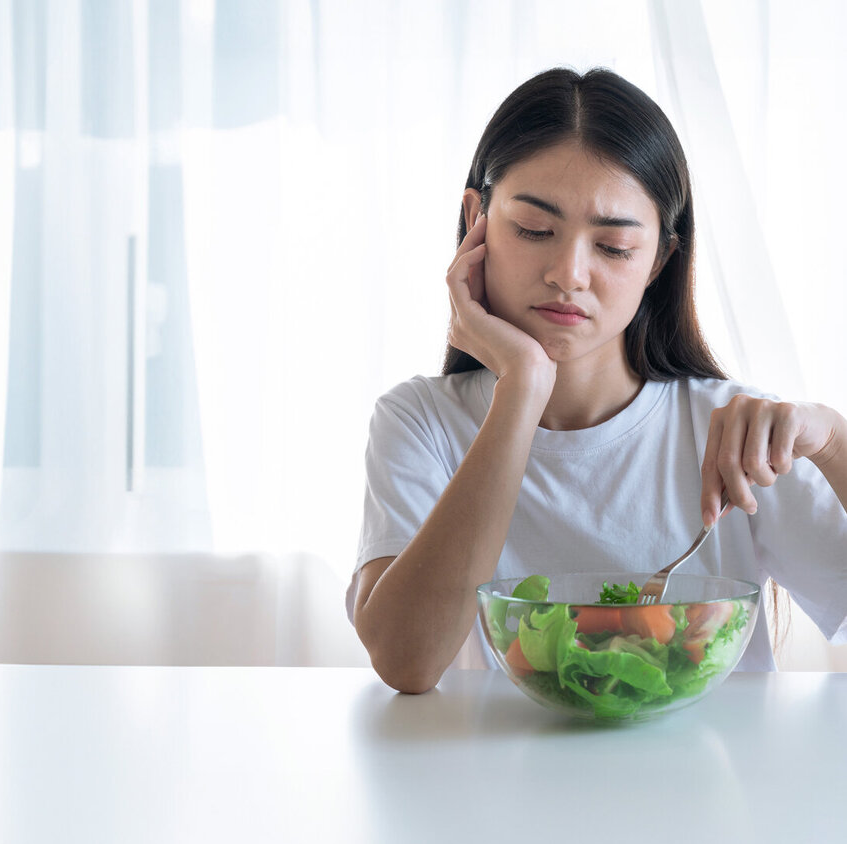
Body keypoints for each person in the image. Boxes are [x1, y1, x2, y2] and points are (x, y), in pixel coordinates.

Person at [347, 67, 847, 695]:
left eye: (612, 246)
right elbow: (407, 661)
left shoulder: (736, 432)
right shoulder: (420, 421)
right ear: (477, 216)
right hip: (493, 764)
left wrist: (832, 440)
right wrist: (522, 386)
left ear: (659, 261)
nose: (569, 274)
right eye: (534, 230)